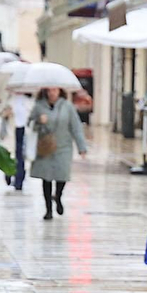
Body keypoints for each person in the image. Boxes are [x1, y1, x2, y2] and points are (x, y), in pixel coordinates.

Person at [29, 85, 88, 220]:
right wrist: (39, 121)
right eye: (49, 90)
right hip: (45, 147)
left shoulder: (67, 106)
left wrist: (82, 147)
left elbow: (76, 127)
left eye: (54, 90)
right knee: (46, 177)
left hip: (63, 147)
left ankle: (58, 196)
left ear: (60, 91)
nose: (52, 93)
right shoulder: (39, 106)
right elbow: (30, 124)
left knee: (62, 175)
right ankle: (48, 208)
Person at [3, 89, 33, 192]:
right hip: (12, 131)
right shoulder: (9, 100)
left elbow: (33, 116)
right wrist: (7, 112)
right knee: (11, 154)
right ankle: (8, 173)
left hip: (24, 131)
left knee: (21, 157)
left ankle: (19, 181)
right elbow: (1, 113)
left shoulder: (29, 101)